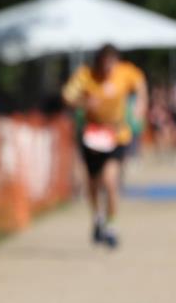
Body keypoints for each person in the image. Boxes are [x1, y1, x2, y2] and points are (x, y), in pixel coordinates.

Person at [61, 44, 147, 248]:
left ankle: (111, 226)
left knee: (109, 181)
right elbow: (67, 96)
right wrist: (83, 102)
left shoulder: (126, 72)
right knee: (92, 183)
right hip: (92, 135)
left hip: (117, 135)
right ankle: (97, 217)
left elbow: (141, 86)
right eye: (104, 62)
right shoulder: (86, 75)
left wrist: (139, 108)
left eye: (112, 62)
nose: (108, 67)